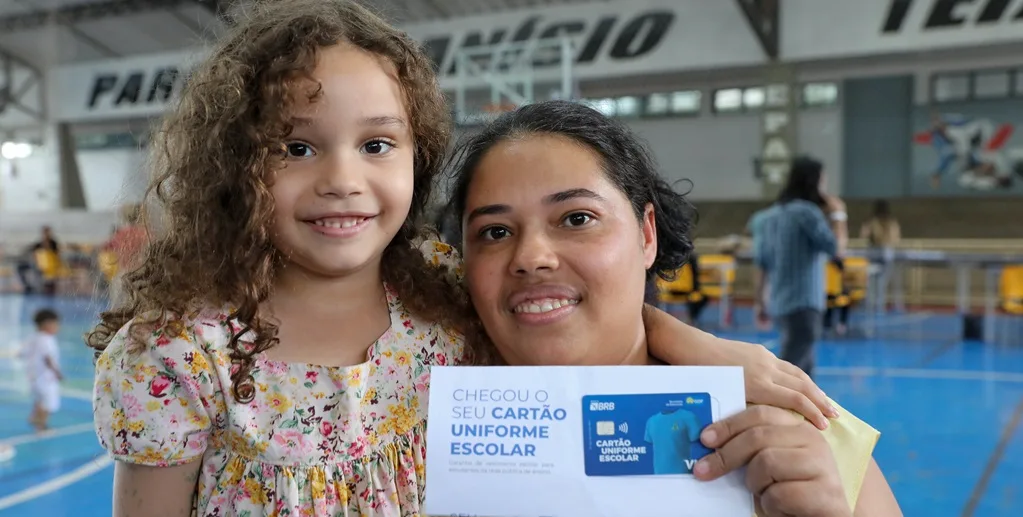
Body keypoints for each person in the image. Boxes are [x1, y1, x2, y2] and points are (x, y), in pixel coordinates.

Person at [87, 3, 833, 516]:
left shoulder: (443, 296)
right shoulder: (178, 355)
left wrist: (707, 352)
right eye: (295, 147)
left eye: (376, 144)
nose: (343, 179)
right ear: (233, 164)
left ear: (418, 156)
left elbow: (571, 305)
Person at [447, 100, 902, 516]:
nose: (531, 257)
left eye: (577, 218)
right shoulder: (417, 438)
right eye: (495, 231)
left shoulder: (796, 433)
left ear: (647, 235)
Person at [755, 157, 844, 379]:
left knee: (804, 370)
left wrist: (760, 300)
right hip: (805, 302)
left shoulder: (771, 215)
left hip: (781, 301)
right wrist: (839, 215)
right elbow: (836, 248)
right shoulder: (807, 213)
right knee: (790, 370)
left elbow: (763, 262)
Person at [19, 308, 63, 432]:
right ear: (47, 324)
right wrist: (57, 373)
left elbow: (21, 353)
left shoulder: (32, 337)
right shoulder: (47, 340)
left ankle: (34, 417)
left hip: (33, 377)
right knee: (48, 403)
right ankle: (41, 426)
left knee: (39, 399)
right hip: (45, 378)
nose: (57, 327)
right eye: (56, 324)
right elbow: (48, 359)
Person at [860, 200, 901, 314]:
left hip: (874, 251)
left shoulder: (873, 221)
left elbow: (863, 234)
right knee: (882, 281)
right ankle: (879, 306)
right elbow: (896, 238)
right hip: (886, 252)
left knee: (871, 281)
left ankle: (870, 305)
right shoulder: (891, 222)